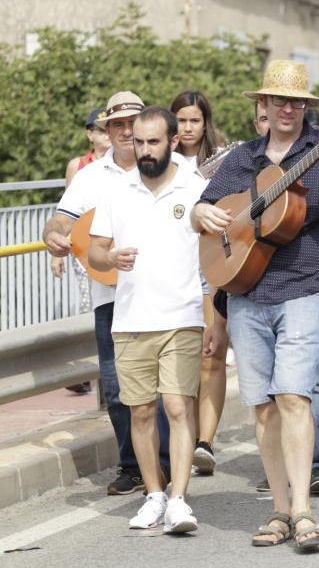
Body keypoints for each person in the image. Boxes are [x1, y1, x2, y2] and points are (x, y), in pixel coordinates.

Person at [193, 59, 319, 549]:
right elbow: (206, 208)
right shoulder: (242, 158)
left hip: (307, 284)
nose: (288, 109)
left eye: (297, 102)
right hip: (247, 291)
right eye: (279, 101)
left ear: (307, 107)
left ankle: (303, 511)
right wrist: (200, 213)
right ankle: (280, 511)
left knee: (294, 396)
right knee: (262, 405)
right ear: (263, 105)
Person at [42, 91, 171, 496]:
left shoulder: (171, 167)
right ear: (107, 129)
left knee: (165, 387)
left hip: (161, 291)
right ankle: (132, 465)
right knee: (116, 387)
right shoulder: (90, 176)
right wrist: (54, 237)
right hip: (110, 297)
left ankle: (166, 464)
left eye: (132, 123)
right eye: (116, 124)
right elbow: (60, 220)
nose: (125, 131)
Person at [88, 107, 207, 532]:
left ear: (173, 141)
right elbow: (95, 248)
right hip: (131, 319)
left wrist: (215, 316)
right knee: (139, 412)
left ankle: (179, 499)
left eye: (153, 142)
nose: (144, 150)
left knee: (177, 406)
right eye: (138, 142)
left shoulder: (196, 186)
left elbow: (214, 249)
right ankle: (154, 494)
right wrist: (109, 256)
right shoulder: (117, 190)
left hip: (182, 315)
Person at [169, 90, 228, 476]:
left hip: (211, 270)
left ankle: (205, 441)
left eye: (195, 120)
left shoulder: (222, 161)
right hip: (173, 273)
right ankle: (183, 437)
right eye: (182, 120)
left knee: (212, 355)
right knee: (182, 363)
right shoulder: (161, 162)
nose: (188, 127)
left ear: (205, 122)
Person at [56, 107, 112, 393]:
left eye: (108, 128)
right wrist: (55, 249)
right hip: (85, 247)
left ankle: (102, 375)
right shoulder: (80, 167)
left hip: (113, 247)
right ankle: (94, 372)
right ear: (90, 134)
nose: (106, 135)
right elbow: (66, 213)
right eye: (100, 129)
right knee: (89, 301)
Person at [170, 90, 223, 166]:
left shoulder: (221, 159)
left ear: (205, 124)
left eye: (195, 121)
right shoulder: (161, 160)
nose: (188, 129)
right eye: (181, 120)